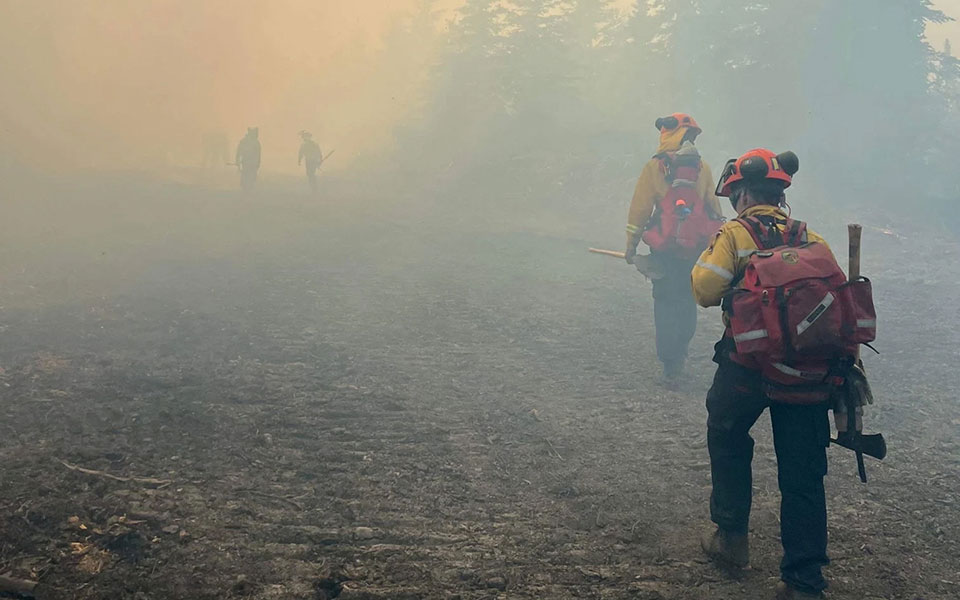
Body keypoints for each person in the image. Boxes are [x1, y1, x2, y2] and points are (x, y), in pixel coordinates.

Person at [691, 149, 834, 600]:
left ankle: (731, 539)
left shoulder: (734, 233)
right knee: (803, 473)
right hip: (806, 373)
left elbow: (705, 289)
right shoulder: (810, 237)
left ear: (743, 192)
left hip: (746, 366)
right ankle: (804, 581)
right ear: (780, 193)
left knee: (727, 435)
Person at [624, 113, 723, 386]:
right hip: (694, 252)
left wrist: (631, 245)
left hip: (664, 251)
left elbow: (640, 210)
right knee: (686, 300)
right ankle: (681, 351)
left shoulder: (655, 168)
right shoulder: (702, 168)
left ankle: (670, 363)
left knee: (665, 303)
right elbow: (714, 209)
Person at [235, 127, 261, 192]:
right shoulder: (255, 143)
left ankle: (246, 187)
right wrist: (258, 163)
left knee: (247, 175)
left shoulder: (244, 141)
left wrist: (237, 161)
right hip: (250, 163)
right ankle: (247, 187)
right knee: (248, 175)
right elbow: (258, 155)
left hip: (248, 163)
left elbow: (238, 152)